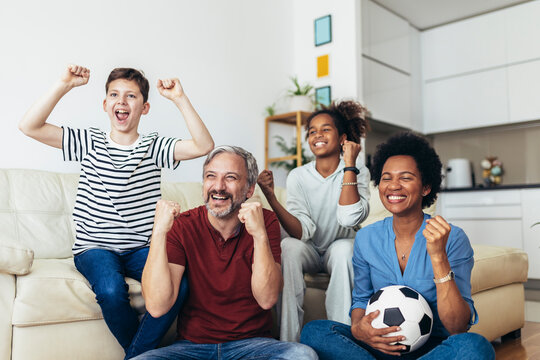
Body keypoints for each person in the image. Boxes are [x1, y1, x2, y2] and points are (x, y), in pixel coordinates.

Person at [18, 64, 214, 359]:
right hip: (94, 248)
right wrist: (64, 84)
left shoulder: (153, 146)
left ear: (145, 108)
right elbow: (29, 126)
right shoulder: (89, 142)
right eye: (115, 95)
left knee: (180, 287)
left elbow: (204, 145)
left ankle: (137, 355)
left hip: (142, 247)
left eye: (131, 96)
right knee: (110, 290)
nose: (122, 102)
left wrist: (179, 98)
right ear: (105, 104)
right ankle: (145, 354)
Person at [300, 132, 495, 360]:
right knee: (315, 331)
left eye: (405, 178)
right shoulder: (367, 238)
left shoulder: (452, 237)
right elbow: (361, 299)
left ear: (426, 187)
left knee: (475, 347)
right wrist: (359, 329)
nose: (393, 186)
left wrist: (439, 257)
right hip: (377, 347)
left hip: (433, 348)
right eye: (386, 178)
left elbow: (457, 327)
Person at [133, 146, 318, 360]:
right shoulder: (182, 225)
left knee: (302, 355)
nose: (218, 187)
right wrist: (158, 232)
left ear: (249, 190)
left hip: (253, 346)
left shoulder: (264, 221)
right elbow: (157, 307)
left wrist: (259, 235)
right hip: (192, 348)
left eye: (230, 178)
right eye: (211, 176)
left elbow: (267, 299)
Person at [257, 100, 371, 342]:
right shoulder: (298, 176)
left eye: (326, 129)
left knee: (344, 249)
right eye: (312, 131)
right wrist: (271, 198)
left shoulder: (357, 169)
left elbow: (348, 216)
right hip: (309, 247)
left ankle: (339, 340)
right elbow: (301, 231)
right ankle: (289, 342)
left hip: (339, 246)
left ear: (342, 138)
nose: (317, 135)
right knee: (288, 246)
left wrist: (349, 165)